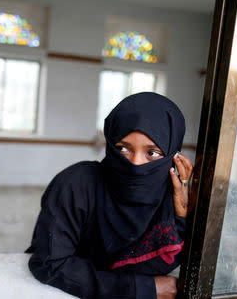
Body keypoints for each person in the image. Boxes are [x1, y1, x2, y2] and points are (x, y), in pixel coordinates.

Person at [26, 92, 193, 299]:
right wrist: (142, 289)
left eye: (152, 153)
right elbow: (50, 264)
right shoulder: (75, 185)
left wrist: (182, 214)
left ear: (172, 156)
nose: (135, 164)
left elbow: (175, 255)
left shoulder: (171, 195)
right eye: (123, 149)